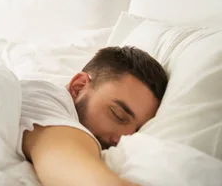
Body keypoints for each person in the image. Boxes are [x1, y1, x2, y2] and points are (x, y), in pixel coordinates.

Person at [19, 45, 169, 186]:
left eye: (136, 131)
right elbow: (65, 163)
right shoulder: (43, 99)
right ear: (78, 87)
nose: (122, 139)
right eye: (118, 115)